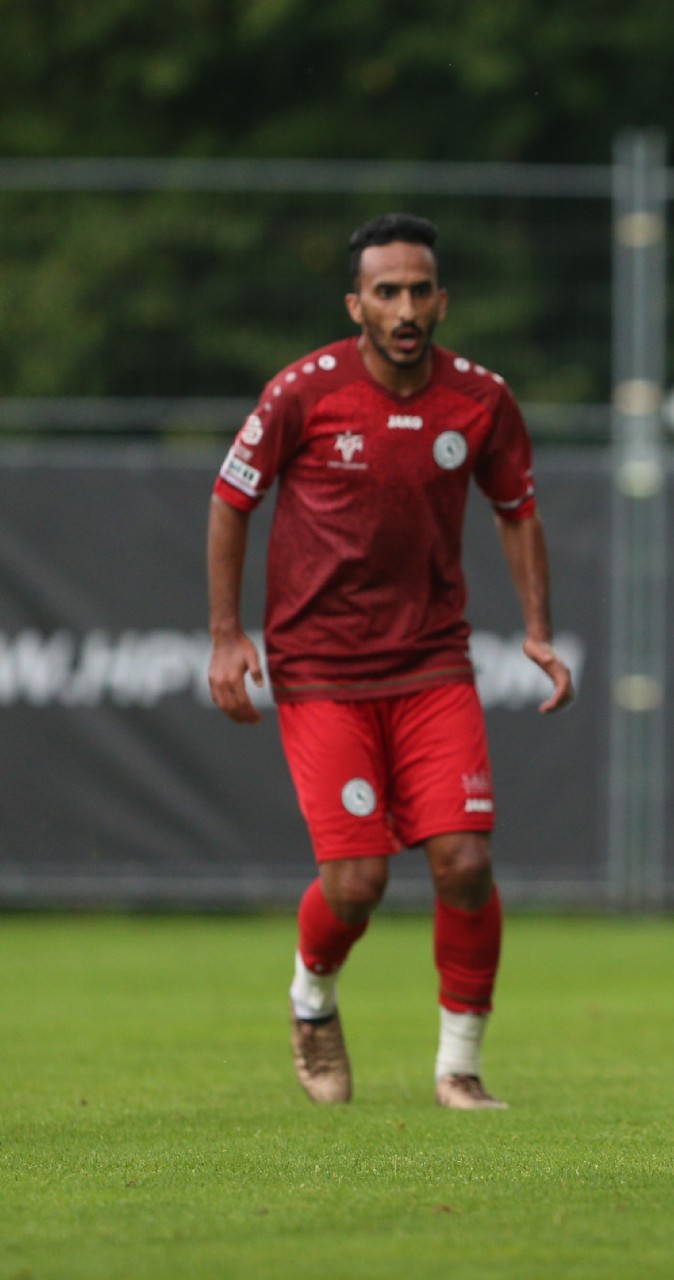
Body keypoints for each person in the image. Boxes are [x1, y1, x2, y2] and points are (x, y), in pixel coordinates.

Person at [207, 213, 573, 1110]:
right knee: (358, 879)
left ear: (442, 301)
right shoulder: (303, 392)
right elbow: (231, 500)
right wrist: (225, 635)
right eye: (386, 293)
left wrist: (537, 628)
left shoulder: (481, 399)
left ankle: (460, 1067)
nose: (404, 309)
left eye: (418, 291)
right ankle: (312, 999)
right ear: (356, 305)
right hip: (321, 671)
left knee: (465, 862)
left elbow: (518, 509)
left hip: (431, 665)